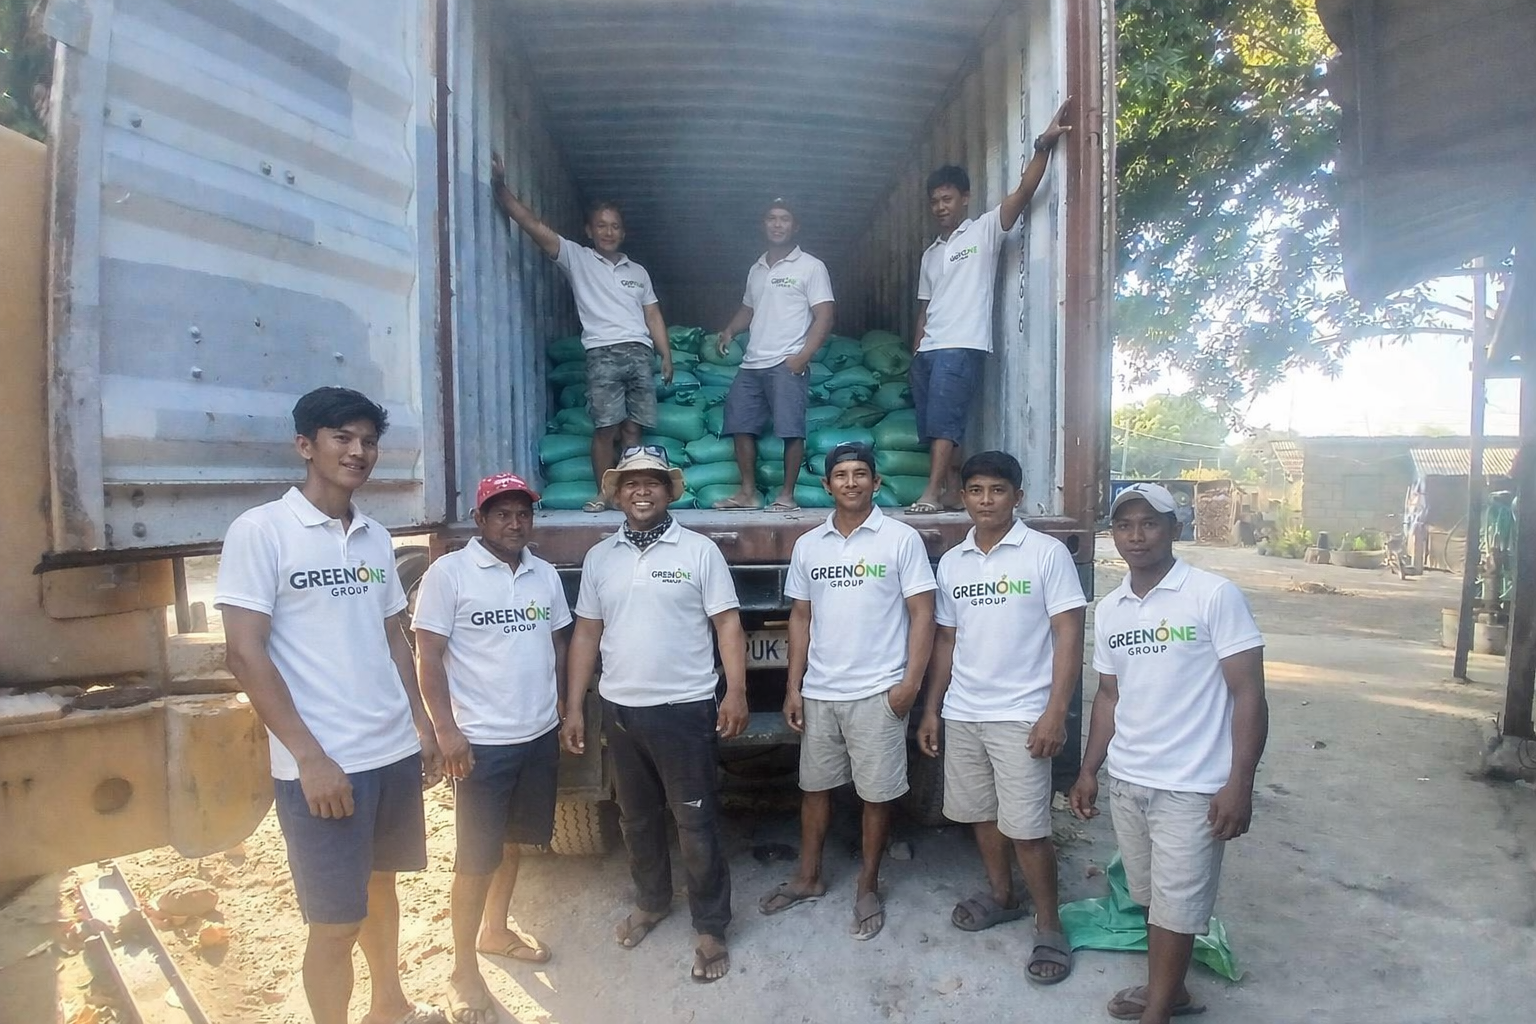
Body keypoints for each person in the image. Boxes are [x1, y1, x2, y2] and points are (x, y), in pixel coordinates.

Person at [216, 387, 446, 1024]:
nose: (358, 451)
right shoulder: (262, 532)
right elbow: (244, 654)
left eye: (368, 440)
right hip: (324, 767)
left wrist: (422, 726)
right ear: (305, 446)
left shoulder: (374, 538)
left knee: (381, 889)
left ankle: (390, 1005)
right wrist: (310, 759)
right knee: (335, 924)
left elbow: (395, 642)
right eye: (342, 437)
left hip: (390, 751)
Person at [1069, 483, 1269, 1024]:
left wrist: (1239, 784)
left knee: (1177, 905)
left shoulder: (1212, 594)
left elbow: (1248, 692)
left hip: (1193, 785)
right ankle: (1172, 990)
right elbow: (1109, 695)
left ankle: (1158, 1011)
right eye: (1125, 525)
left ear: (1174, 529)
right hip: (1129, 780)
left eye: (1149, 523)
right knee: (1155, 899)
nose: (1136, 536)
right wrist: (1089, 770)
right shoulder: (1110, 609)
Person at [560, 446, 749, 983]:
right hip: (622, 710)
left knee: (695, 821)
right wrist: (575, 705)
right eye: (631, 483)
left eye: (653, 482)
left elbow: (727, 626)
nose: (642, 491)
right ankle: (651, 901)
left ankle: (710, 925)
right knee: (636, 818)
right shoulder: (602, 557)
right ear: (617, 494)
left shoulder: (699, 551)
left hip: (685, 709)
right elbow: (587, 634)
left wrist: (735, 692)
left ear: (671, 492)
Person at [916, 451, 1086, 984]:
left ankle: (1049, 924)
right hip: (965, 711)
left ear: (1017, 495)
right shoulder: (955, 561)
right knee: (981, 817)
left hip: (1022, 714)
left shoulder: (1045, 554)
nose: (986, 500)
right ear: (961, 496)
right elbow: (946, 639)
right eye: (976, 490)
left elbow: (1069, 634)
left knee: (1029, 829)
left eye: (997, 490)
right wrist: (933, 709)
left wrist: (1056, 711)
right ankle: (1002, 895)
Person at [411, 472, 571, 1024]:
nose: (514, 523)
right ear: (480, 520)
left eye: (522, 513)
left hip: (537, 734)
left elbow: (558, 643)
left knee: (514, 843)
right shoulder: (449, 575)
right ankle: (462, 970)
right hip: (481, 744)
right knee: (474, 859)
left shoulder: (544, 575)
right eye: (501, 513)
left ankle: (496, 930)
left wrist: (564, 712)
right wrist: (445, 731)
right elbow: (427, 656)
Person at [760, 441, 937, 939]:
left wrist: (909, 685)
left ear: (876, 483)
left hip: (878, 692)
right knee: (814, 790)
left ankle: (867, 885)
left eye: (862, 474)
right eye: (842, 474)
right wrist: (793, 688)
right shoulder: (810, 545)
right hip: (821, 692)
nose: (852, 482)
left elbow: (923, 613)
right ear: (827, 485)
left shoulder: (900, 539)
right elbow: (801, 616)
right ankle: (809, 876)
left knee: (876, 796)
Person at [906, 100, 1071, 514]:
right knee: (933, 424)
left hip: (962, 344)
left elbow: (1024, 192)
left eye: (947, 199)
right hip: (930, 350)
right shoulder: (931, 254)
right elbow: (924, 306)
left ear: (964, 198)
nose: (940, 207)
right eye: (934, 201)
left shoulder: (983, 231)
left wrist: (1043, 146)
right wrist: (916, 348)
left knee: (945, 421)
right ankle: (945, 491)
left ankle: (930, 493)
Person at [491, 153, 674, 512]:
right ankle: (605, 493)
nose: (609, 232)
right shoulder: (577, 257)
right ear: (589, 230)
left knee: (634, 430)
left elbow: (652, 314)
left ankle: (631, 494)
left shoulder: (637, 271)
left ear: (624, 232)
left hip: (639, 352)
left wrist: (665, 353)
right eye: (602, 226)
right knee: (606, 428)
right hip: (602, 352)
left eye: (615, 226)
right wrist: (502, 191)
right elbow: (534, 226)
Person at [711, 198, 836, 512]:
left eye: (784, 219)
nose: (777, 224)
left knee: (790, 429)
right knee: (739, 422)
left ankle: (787, 495)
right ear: (763, 224)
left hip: (787, 361)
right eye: (771, 218)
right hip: (753, 362)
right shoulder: (757, 268)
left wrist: (803, 356)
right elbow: (749, 308)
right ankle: (748, 493)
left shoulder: (811, 266)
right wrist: (730, 330)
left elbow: (825, 315)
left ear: (795, 226)